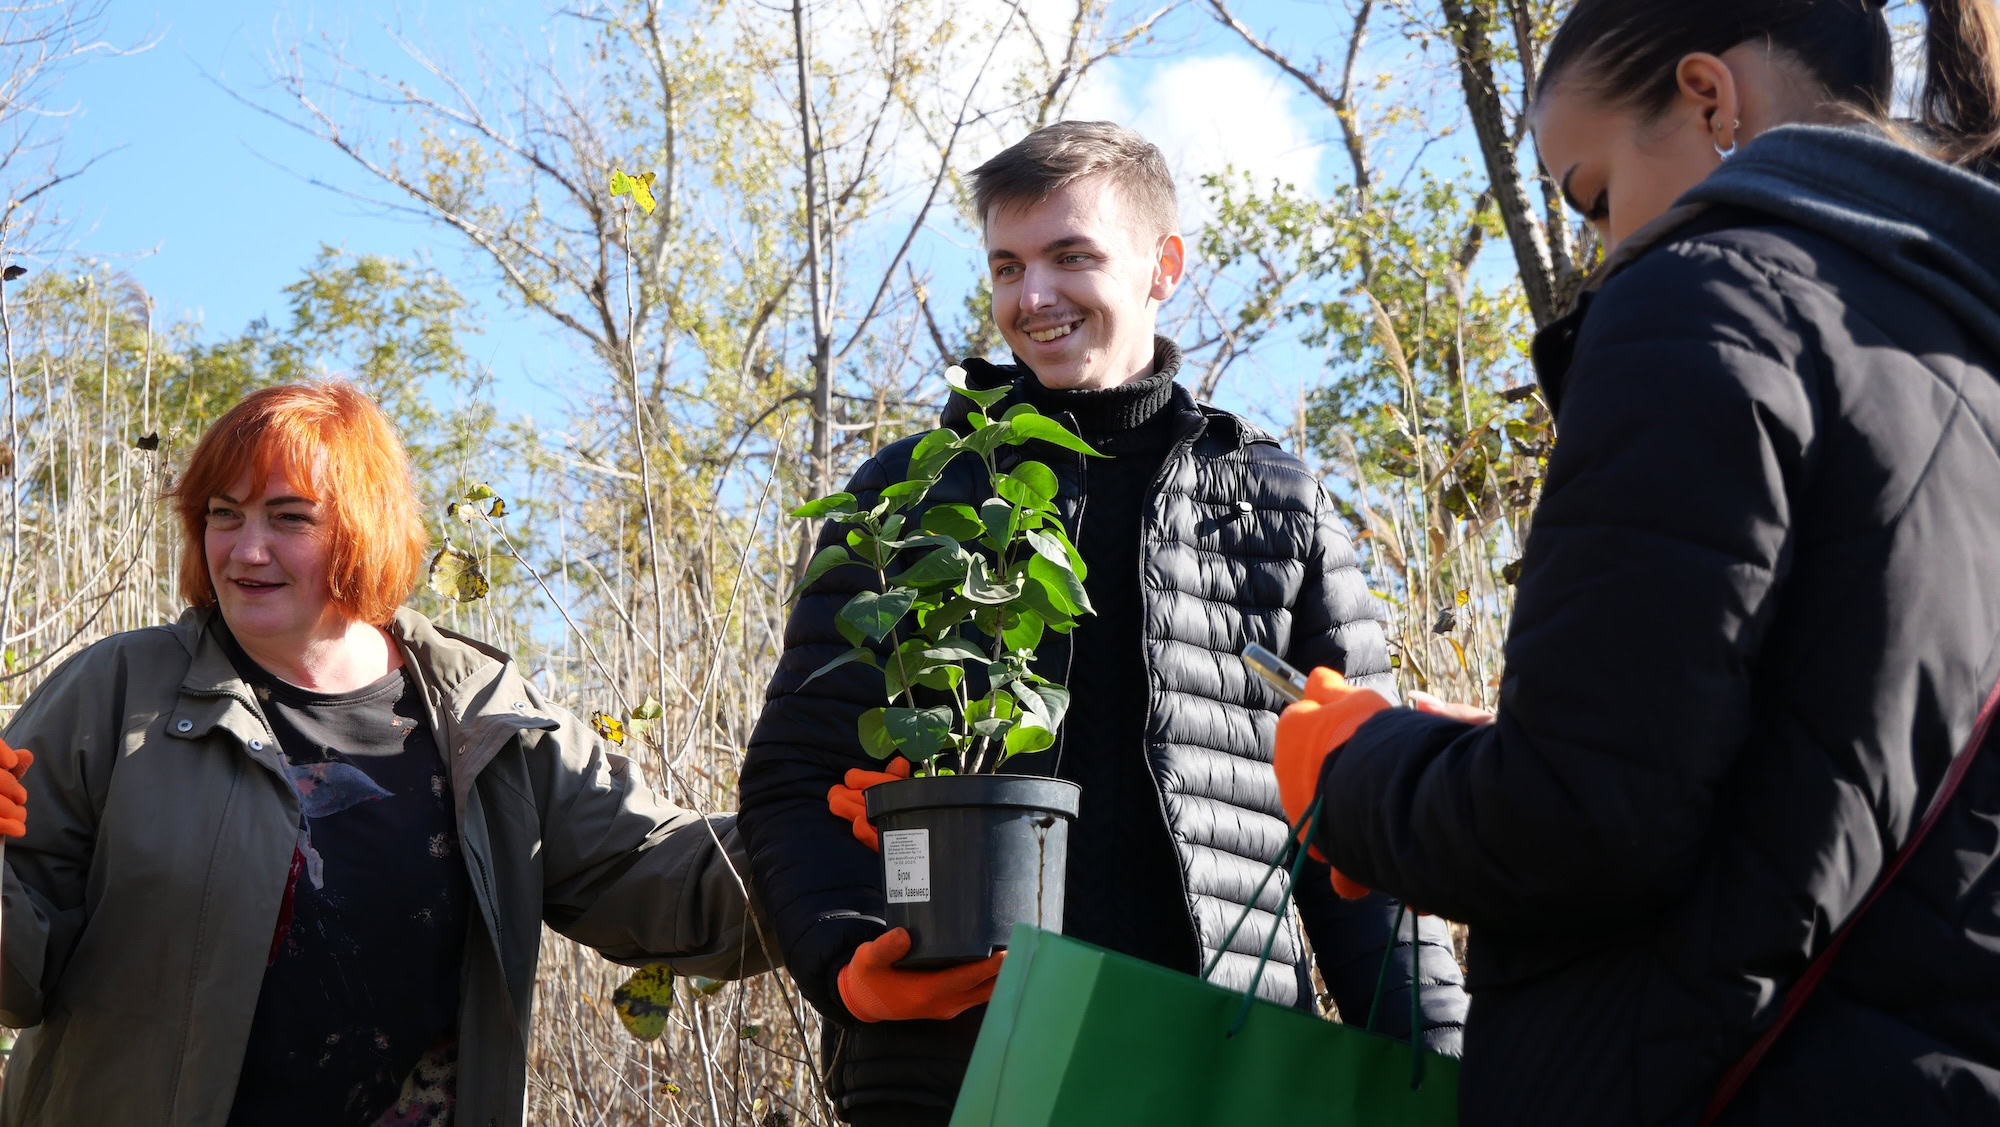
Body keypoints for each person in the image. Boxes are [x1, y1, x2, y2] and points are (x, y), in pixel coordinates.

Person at [1271, 1, 2000, 1123]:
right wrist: (1516, 741)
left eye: (1596, 195)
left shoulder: (1706, 298)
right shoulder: (1961, 360)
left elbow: (1577, 820)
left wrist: (1354, 768)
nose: (1605, 250)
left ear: (1709, 100)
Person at [740, 120, 1468, 1126]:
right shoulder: (909, 497)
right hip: (959, 1067)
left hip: (1223, 1070)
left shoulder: (1275, 504)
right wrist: (847, 955)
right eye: (1006, 266)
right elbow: (794, 778)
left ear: (1162, 266)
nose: (1032, 297)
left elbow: (1368, 821)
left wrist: (1444, 1070)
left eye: (1070, 256)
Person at [0, 382, 773, 1126]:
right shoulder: (117, 693)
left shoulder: (482, 715)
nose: (247, 548)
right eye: (224, 514)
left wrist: (826, 834)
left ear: (362, 529)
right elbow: (16, 974)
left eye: (289, 517)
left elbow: (666, 877)